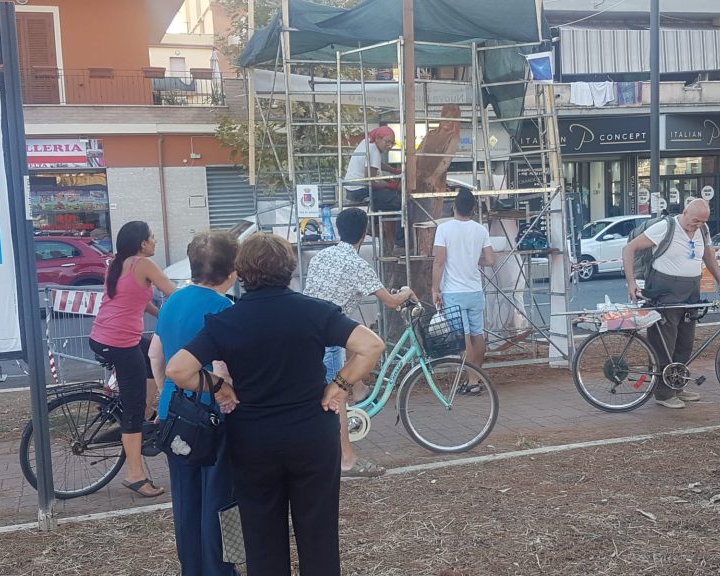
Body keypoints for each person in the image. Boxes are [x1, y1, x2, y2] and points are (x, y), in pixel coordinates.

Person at [165, 233, 384, 576]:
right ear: (290, 268)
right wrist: (339, 386)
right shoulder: (315, 312)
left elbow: (177, 369)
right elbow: (371, 345)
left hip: (253, 440)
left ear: (241, 270)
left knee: (261, 537)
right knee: (318, 532)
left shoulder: (226, 321)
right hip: (311, 434)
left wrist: (219, 387)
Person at [148, 231, 239, 576]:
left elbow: (155, 353)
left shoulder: (172, 300)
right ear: (232, 270)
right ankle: (221, 569)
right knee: (220, 498)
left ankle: (193, 568)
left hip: (174, 411)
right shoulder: (224, 307)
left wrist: (166, 394)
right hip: (212, 415)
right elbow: (221, 369)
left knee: (185, 499)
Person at [304, 207, 417, 477]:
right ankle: (347, 459)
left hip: (307, 328)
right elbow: (391, 303)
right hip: (328, 335)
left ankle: (360, 388)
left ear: (339, 230)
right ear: (365, 233)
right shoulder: (357, 264)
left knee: (355, 346)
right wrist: (406, 291)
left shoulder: (321, 256)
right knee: (336, 395)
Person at [88, 221, 176, 497]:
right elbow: (173, 292)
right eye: (152, 238)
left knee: (152, 355)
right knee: (132, 410)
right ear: (141, 243)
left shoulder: (119, 263)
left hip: (104, 336)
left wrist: (160, 316)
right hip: (119, 342)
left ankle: (149, 414)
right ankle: (135, 475)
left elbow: (135, 299)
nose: (155, 241)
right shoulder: (143, 264)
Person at [623, 198, 720, 409]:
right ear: (685, 211)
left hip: (691, 291)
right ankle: (663, 393)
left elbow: (708, 256)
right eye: (694, 220)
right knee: (664, 344)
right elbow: (630, 248)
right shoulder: (666, 227)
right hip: (665, 289)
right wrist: (631, 281)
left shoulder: (702, 230)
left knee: (684, 342)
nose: (695, 226)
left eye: (701, 222)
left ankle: (677, 385)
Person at [431, 189, 495, 391]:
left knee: (463, 338)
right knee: (478, 335)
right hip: (475, 290)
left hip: (453, 292)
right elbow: (491, 260)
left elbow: (439, 261)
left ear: (454, 207)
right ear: (473, 209)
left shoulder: (444, 229)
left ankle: (473, 380)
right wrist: (475, 260)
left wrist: (434, 288)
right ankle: (475, 377)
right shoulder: (481, 230)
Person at [343, 126, 405, 250]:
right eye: (387, 142)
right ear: (378, 138)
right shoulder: (374, 151)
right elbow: (370, 181)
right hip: (360, 189)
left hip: (352, 187)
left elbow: (375, 165)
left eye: (392, 143)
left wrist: (393, 170)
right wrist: (391, 185)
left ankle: (374, 225)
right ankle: (400, 243)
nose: (389, 146)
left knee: (384, 196)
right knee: (400, 202)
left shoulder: (367, 142)